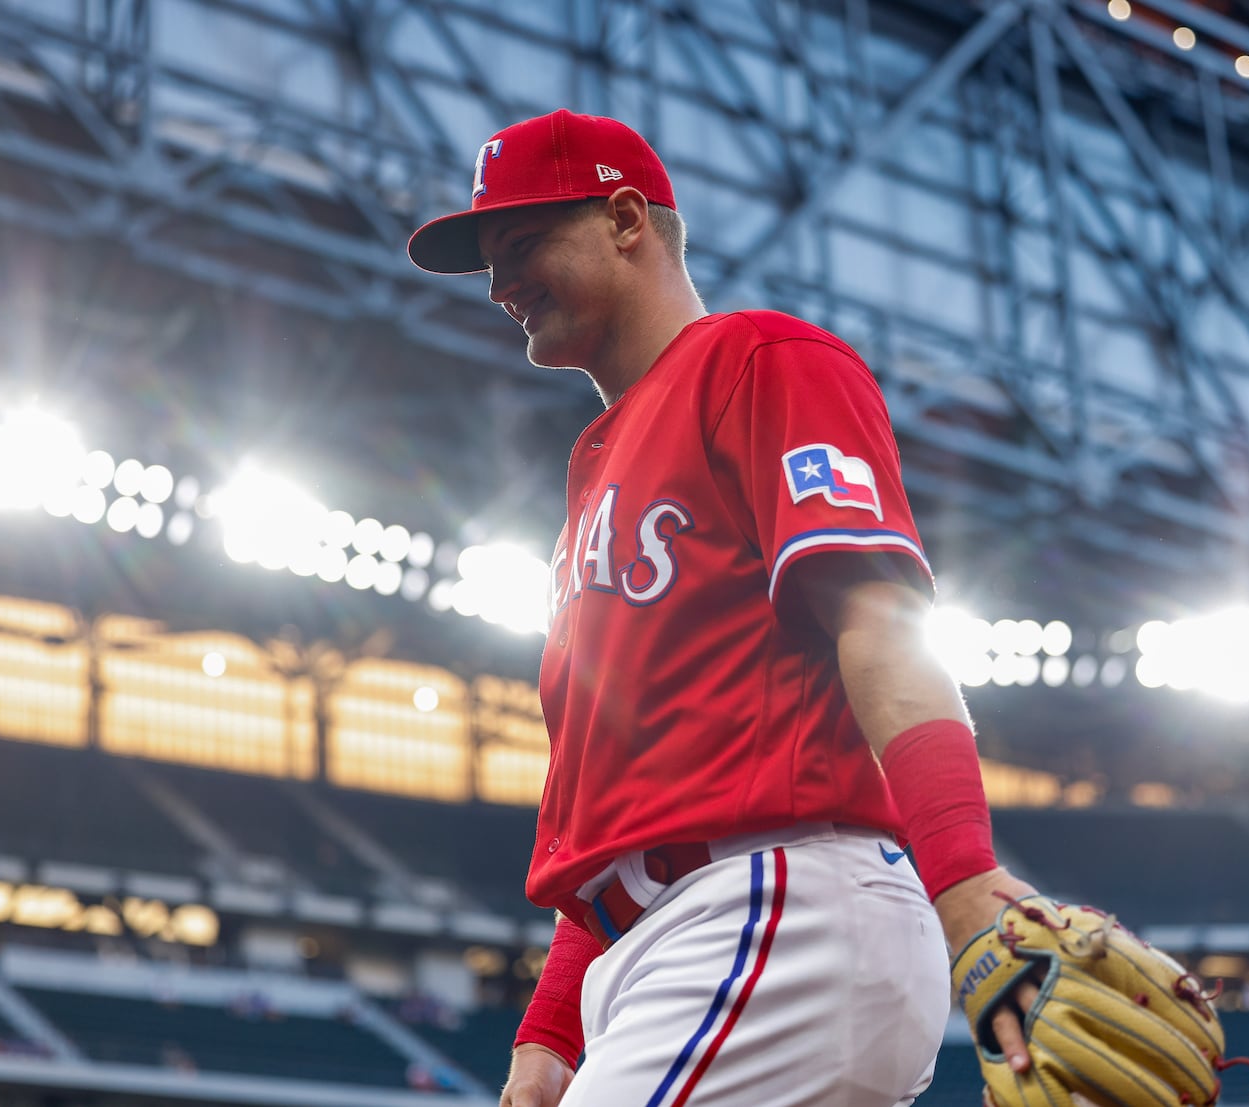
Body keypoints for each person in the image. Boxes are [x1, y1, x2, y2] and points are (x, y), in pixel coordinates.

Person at [409, 109, 1043, 1107]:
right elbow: (622, 796)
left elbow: (878, 620)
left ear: (625, 220)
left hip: (776, 906)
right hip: (674, 935)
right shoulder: (597, 465)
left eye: (522, 245)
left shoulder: (761, 359)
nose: (500, 287)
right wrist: (550, 1032)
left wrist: (964, 881)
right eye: (489, 263)